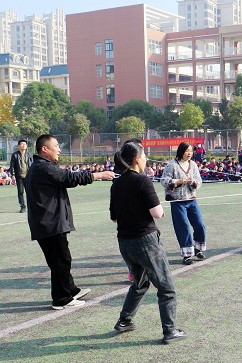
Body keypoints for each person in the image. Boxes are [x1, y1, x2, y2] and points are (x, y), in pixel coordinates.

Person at [110, 140, 187, 344]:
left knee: (140, 283)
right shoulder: (142, 181)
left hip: (125, 242)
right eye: (144, 157)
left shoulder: (116, 183)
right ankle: (169, 331)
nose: (146, 160)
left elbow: (114, 217)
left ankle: (124, 320)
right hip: (145, 240)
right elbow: (158, 213)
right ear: (137, 160)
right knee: (166, 287)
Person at [25, 134, 114, 310]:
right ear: (45, 149)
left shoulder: (39, 167)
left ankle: (70, 289)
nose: (59, 149)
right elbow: (70, 178)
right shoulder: (45, 168)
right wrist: (99, 175)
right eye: (56, 146)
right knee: (61, 260)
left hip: (46, 223)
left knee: (59, 259)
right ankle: (61, 299)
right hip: (50, 223)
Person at [161, 142, 207, 264]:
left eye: (191, 151)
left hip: (192, 200)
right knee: (184, 227)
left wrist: (193, 182)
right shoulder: (172, 165)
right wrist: (178, 181)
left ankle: (198, 249)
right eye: (187, 151)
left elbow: (199, 181)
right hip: (178, 202)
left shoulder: (193, 165)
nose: (189, 154)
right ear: (181, 151)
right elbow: (164, 181)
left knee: (200, 225)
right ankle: (187, 255)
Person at [9, 139, 33, 213]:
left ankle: (31, 206)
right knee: (20, 192)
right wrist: (12, 175)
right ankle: (22, 207)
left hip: (28, 176)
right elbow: (12, 166)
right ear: (18, 146)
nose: (24, 145)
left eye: (25, 144)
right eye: (22, 144)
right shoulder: (15, 155)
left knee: (30, 192)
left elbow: (32, 165)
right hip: (19, 176)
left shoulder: (29, 155)